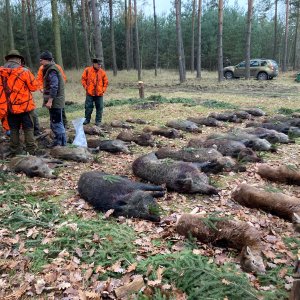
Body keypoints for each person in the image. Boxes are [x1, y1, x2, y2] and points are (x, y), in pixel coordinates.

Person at [0, 49, 38, 155]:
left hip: (9, 108)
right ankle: (31, 150)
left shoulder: (1, 72)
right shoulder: (24, 71)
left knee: (14, 129)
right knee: (28, 128)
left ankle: (15, 151)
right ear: (18, 60)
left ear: (8, 60)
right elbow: (34, 87)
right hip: (25, 107)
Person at [39, 50, 66, 148]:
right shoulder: (52, 68)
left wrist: (50, 100)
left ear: (46, 60)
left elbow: (54, 86)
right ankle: (61, 142)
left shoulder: (52, 70)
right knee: (58, 121)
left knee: (56, 122)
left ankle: (59, 144)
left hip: (55, 102)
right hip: (57, 100)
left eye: (41, 60)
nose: (40, 62)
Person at [36, 58, 68, 129]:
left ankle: (64, 123)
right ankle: (55, 124)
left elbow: (63, 78)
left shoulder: (56, 67)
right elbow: (39, 78)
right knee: (52, 108)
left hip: (56, 91)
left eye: (42, 60)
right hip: (48, 91)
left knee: (59, 107)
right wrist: (41, 87)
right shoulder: (42, 68)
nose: (40, 62)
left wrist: (60, 88)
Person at [81, 58, 109, 126]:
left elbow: (106, 82)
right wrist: (86, 87)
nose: (100, 66)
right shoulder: (87, 70)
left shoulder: (102, 72)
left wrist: (103, 90)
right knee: (88, 107)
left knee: (100, 107)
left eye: (100, 64)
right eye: (98, 64)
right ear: (94, 64)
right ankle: (87, 120)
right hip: (89, 93)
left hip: (99, 93)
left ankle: (98, 121)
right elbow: (83, 79)